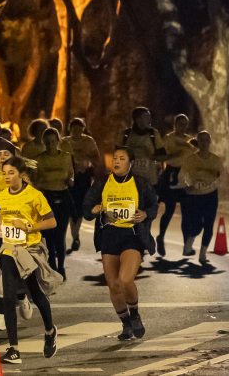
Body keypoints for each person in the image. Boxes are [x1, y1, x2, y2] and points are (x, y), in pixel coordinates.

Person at [0, 156, 62, 364]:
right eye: (4, 173)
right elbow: (3, 216)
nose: (6, 177)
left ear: (21, 174)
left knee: (37, 295)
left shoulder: (34, 195)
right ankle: (14, 349)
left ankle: (50, 331)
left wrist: (29, 227)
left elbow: (52, 221)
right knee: (8, 297)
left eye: (11, 173)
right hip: (9, 248)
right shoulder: (2, 196)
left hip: (30, 249)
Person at [83, 147, 158, 341]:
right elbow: (86, 207)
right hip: (109, 235)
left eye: (121, 158)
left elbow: (153, 205)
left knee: (125, 280)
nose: (116, 161)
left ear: (130, 163)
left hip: (132, 235)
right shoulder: (101, 183)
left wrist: (146, 214)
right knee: (114, 285)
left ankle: (135, 315)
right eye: (114, 158)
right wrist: (93, 210)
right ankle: (125, 324)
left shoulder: (140, 183)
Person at [0, 140, 32, 330]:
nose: (2, 157)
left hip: (16, 229)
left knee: (17, 268)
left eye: (6, 154)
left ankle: (22, 295)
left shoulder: (21, 177)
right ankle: (2, 315)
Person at [176, 131, 223, 264]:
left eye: (206, 140)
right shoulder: (191, 160)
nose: (204, 142)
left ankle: (203, 253)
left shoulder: (216, 160)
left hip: (211, 195)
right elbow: (182, 175)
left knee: (209, 225)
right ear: (198, 142)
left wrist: (216, 180)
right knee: (197, 225)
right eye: (201, 140)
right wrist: (186, 185)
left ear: (210, 142)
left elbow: (221, 175)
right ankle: (190, 242)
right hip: (195, 196)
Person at [34, 128, 74, 279]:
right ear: (44, 143)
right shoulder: (39, 159)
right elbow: (34, 180)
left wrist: (70, 181)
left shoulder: (66, 157)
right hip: (46, 198)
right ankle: (52, 266)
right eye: (48, 142)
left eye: (53, 141)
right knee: (48, 236)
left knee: (60, 235)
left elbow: (71, 176)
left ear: (58, 141)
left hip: (62, 197)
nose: (51, 145)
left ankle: (61, 266)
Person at [157, 114, 196, 256]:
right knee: (169, 210)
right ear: (174, 124)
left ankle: (187, 246)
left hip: (185, 178)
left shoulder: (191, 141)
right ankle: (160, 237)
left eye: (185, 124)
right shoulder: (168, 139)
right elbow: (159, 157)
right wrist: (171, 158)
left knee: (187, 213)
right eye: (179, 123)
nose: (182, 127)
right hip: (172, 177)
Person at [63, 118, 100, 251]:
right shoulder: (65, 142)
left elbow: (96, 157)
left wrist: (97, 174)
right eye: (74, 130)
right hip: (67, 178)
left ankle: (75, 236)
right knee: (68, 207)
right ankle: (67, 235)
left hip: (83, 177)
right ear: (70, 130)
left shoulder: (88, 141)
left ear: (83, 129)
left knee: (79, 208)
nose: (77, 133)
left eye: (80, 130)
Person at [117, 107, 167, 186]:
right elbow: (116, 158)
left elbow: (163, 157)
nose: (150, 119)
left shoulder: (153, 134)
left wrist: (151, 155)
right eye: (147, 117)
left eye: (150, 117)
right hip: (129, 182)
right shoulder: (125, 135)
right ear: (138, 119)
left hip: (149, 182)